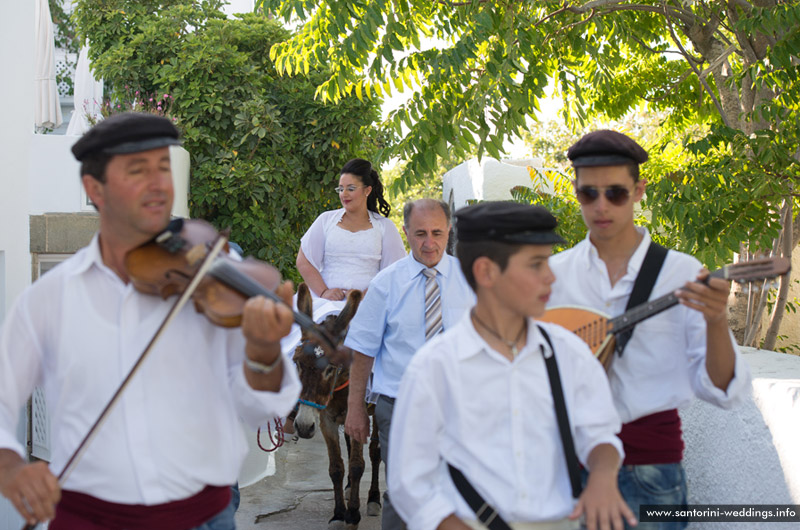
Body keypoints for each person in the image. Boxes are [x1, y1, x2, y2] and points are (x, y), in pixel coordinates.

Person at [0, 112, 301, 529]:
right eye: (137, 170)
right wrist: (9, 466)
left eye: (164, 166)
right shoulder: (49, 299)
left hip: (203, 517)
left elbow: (258, 408)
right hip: (88, 519)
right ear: (95, 189)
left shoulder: (214, 280)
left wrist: (264, 352)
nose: (159, 183)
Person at [387, 201, 635, 530]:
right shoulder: (435, 368)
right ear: (486, 272)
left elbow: (599, 434)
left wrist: (603, 476)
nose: (550, 277)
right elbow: (410, 481)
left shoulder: (568, 354)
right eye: (536, 265)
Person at [547, 130, 751, 529]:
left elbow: (724, 390)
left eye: (616, 194)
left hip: (653, 467)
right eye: (589, 194)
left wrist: (716, 320)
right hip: (566, 464)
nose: (601, 206)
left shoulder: (682, 272)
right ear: (575, 191)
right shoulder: (554, 276)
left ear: (639, 190)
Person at [344, 199, 475, 530]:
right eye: (419, 234)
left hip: (460, 406)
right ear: (405, 233)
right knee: (406, 493)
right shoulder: (387, 283)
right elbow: (363, 350)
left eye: (436, 233)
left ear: (449, 233)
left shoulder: (471, 282)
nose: (428, 243)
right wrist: (355, 408)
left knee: (458, 492)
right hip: (401, 406)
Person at [296, 158, 406, 302]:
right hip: (326, 303)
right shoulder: (325, 220)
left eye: (351, 188)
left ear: (367, 190)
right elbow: (304, 261)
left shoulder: (385, 226)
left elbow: (395, 270)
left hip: (370, 303)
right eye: (341, 189)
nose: (344, 194)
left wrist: (367, 295)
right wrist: (324, 292)